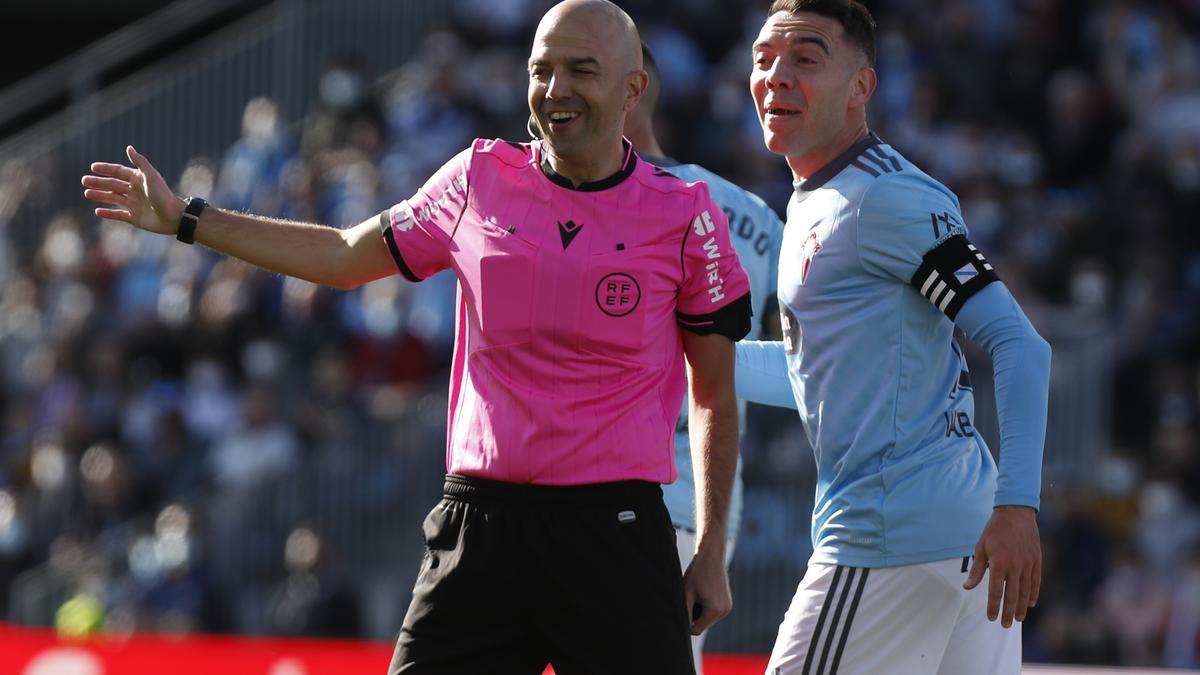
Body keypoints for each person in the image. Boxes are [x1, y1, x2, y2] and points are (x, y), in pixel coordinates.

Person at [80, 1, 752, 673]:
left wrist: (711, 548)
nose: (556, 90)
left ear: (633, 88)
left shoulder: (686, 216)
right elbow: (345, 255)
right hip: (482, 528)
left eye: (582, 70)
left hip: (617, 536)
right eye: (541, 70)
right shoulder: (477, 179)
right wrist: (188, 219)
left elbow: (716, 394)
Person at [735, 1, 1052, 673]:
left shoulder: (882, 198)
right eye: (764, 59)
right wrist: (678, 360)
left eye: (806, 58)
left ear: (861, 87)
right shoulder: (818, 198)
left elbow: (1022, 345)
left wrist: (1019, 506)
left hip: (890, 538)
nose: (776, 75)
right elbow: (812, 375)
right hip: (959, 541)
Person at [624, 42, 785, 674]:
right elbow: (792, 363)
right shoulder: (757, 219)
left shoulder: (570, 204)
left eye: (582, 70)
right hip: (686, 510)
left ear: (633, 87)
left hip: (663, 503)